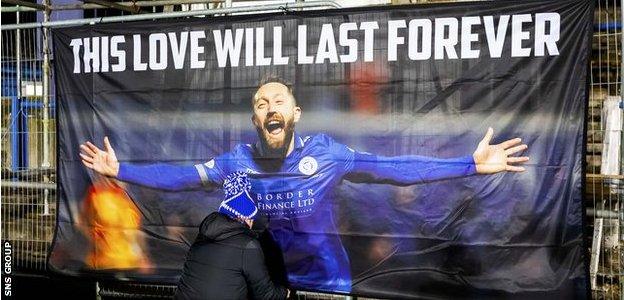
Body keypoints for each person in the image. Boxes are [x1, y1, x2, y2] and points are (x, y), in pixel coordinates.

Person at [79, 77, 529, 293]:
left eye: (278, 100)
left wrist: (470, 165)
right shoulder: (239, 162)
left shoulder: (327, 154)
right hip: (269, 285)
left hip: (327, 284)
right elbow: (183, 178)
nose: (269, 106)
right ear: (255, 119)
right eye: (260, 103)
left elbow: (395, 167)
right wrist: (122, 172)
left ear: (294, 114)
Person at [175, 172, 290, 300]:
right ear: (245, 219)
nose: (252, 224)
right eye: (251, 219)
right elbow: (266, 295)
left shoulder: (203, 235)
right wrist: (286, 293)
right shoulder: (247, 245)